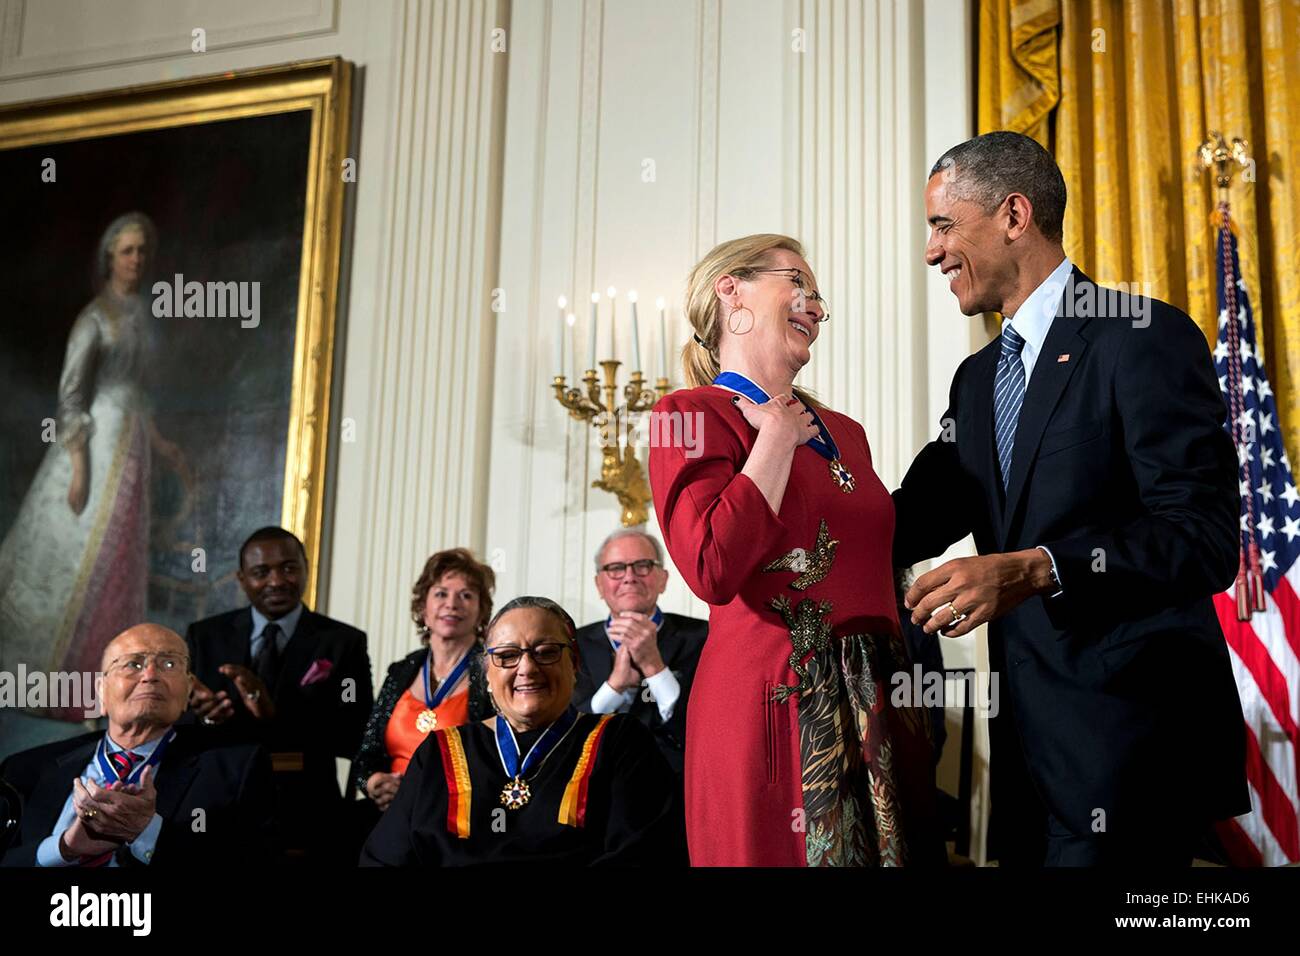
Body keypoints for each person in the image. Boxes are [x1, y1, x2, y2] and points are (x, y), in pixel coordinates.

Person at [894, 131, 1248, 865]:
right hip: (1027, 767)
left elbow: (1204, 537)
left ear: (1014, 214)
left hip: (1133, 755)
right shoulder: (978, 379)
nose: (931, 252)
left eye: (943, 225)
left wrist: (1036, 568)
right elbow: (908, 520)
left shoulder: (1141, 340)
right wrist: (785, 439)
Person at [649, 234, 940, 867]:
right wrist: (774, 441)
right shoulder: (687, 415)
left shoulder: (848, 434)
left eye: (819, 294)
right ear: (732, 291)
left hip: (879, 703)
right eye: (797, 283)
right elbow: (711, 568)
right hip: (774, 708)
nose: (816, 305)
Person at [0, 213, 185, 719]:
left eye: (142, 250)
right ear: (110, 257)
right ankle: (47, 684)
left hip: (134, 444)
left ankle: (106, 688)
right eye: (127, 251)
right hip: (97, 443)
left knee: (121, 554)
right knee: (77, 558)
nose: (136, 259)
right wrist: (79, 463)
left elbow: (140, 393)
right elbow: (71, 394)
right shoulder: (95, 317)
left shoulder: (143, 316)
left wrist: (161, 443)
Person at [360, 596, 675, 866]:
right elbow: (384, 859)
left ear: (574, 663)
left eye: (546, 651)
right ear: (486, 674)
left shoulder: (620, 741)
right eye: (507, 656)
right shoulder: (437, 753)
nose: (527, 668)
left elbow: (643, 854)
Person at [1, 624, 274, 866]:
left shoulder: (235, 771)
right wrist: (63, 849)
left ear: (188, 690)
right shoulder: (24, 770)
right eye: (133, 664)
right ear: (101, 690)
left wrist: (148, 833)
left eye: (169, 664)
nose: (150, 675)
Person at [185, 526, 373, 861]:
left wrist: (278, 714)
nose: (277, 581)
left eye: (288, 568)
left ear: (305, 569)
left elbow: (356, 735)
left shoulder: (343, 643)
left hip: (306, 809)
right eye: (261, 572)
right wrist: (202, 715)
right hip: (218, 806)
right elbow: (181, 730)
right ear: (242, 579)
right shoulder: (205, 636)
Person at [352, 548, 496, 811]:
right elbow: (367, 754)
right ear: (423, 607)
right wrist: (375, 783)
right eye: (441, 593)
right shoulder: (401, 670)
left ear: (481, 611)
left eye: (466, 595)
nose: (452, 604)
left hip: (454, 814)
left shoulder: (492, 673)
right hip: (389, 812)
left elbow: (496, 762)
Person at [571, 528, 706, 776]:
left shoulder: (702, 637)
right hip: (593, 789)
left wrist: (654, 667)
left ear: (663, 579)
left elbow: (701, 732)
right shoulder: (572, 643)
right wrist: (615, 685)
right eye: (615, 568)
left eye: (642, 565)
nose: (629, 577)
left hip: (674, 787)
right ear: (599, 584)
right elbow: (569, 737)